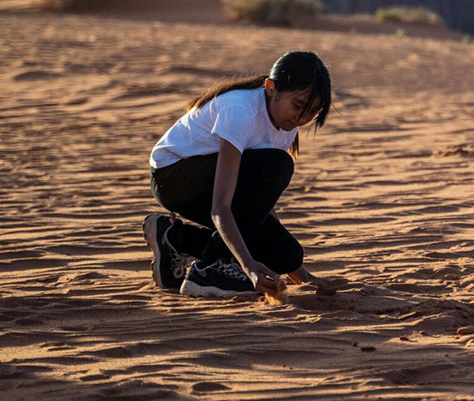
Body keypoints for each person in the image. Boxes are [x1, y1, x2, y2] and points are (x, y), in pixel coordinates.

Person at [142, 50, 332, 298]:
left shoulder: (285, 125)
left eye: (311, 113)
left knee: (287, 254)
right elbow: (221, 206)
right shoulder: (241, 111)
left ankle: (175, 238)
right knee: (280, 165)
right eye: (297, 106)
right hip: (173, 178)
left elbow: (256, 199)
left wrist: (302, 276)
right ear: (270, 87)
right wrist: (248, 266)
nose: (302, 118)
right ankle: (207, 270)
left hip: (207, 185)